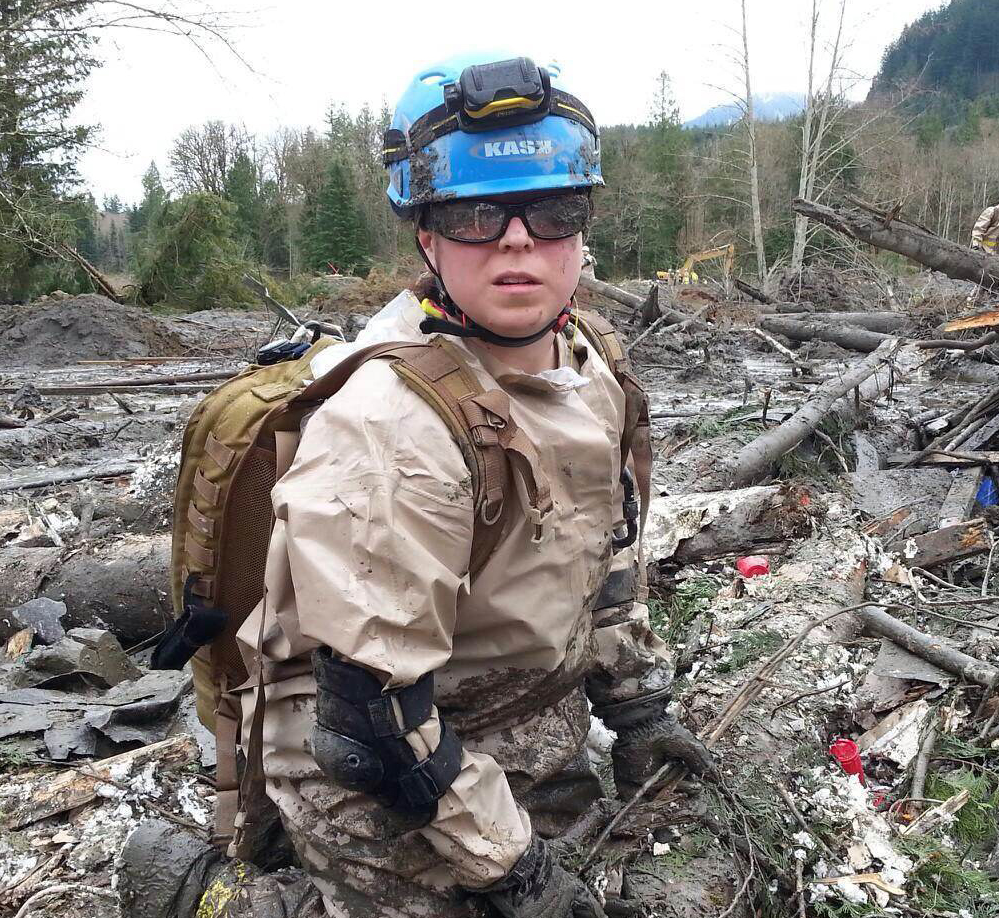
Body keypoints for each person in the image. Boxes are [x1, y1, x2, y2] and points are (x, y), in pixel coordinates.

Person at [121, 53, 711, 918]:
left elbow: (608, 559)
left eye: (553, 212)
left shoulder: (595, 361)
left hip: (522, 719)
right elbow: (370, 722)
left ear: (584, 228)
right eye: (475, 215)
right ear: (426, 235)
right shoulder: (388, 424)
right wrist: (516, 871)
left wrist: (639, 709)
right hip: (373, 766)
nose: (518, 240)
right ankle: (200, 892)